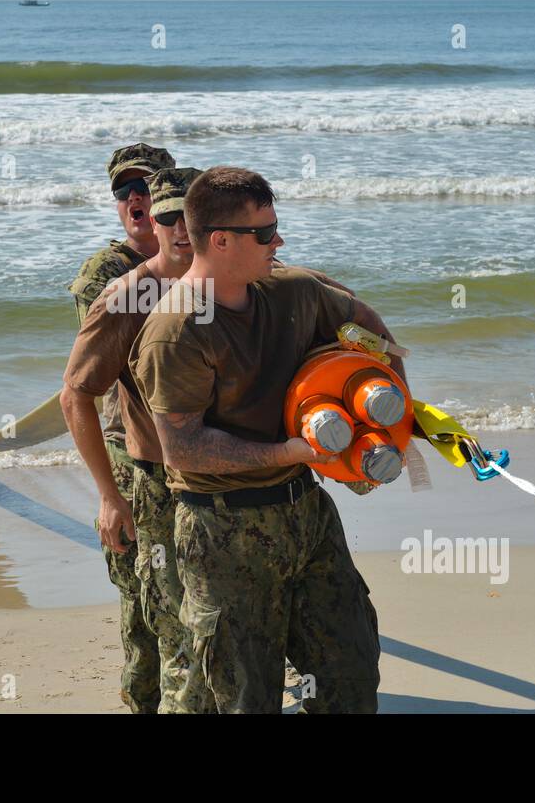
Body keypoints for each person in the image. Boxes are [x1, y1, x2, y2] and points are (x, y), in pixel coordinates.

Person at [130, 165, 405, 714]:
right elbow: (182, 447)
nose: (278, 241)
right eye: (264, 233)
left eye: (276, 227)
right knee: (243, 696)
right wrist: (288, 452)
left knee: (349, 672)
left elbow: (367, 325)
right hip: (221, 529)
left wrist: (393, 411)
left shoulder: (295, 292)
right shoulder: (176, 329)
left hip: (307, 514)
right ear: (221, 240)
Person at [62, 167, 213, 713]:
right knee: (146, 593)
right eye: (126, 192)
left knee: (195, 605)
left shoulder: (222, 271)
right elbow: (84, 382)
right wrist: (109, 494)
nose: (138, 201)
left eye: (150, 191)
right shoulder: (115, 279)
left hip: (199, 463)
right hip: (134, 451)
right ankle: (144, 697)